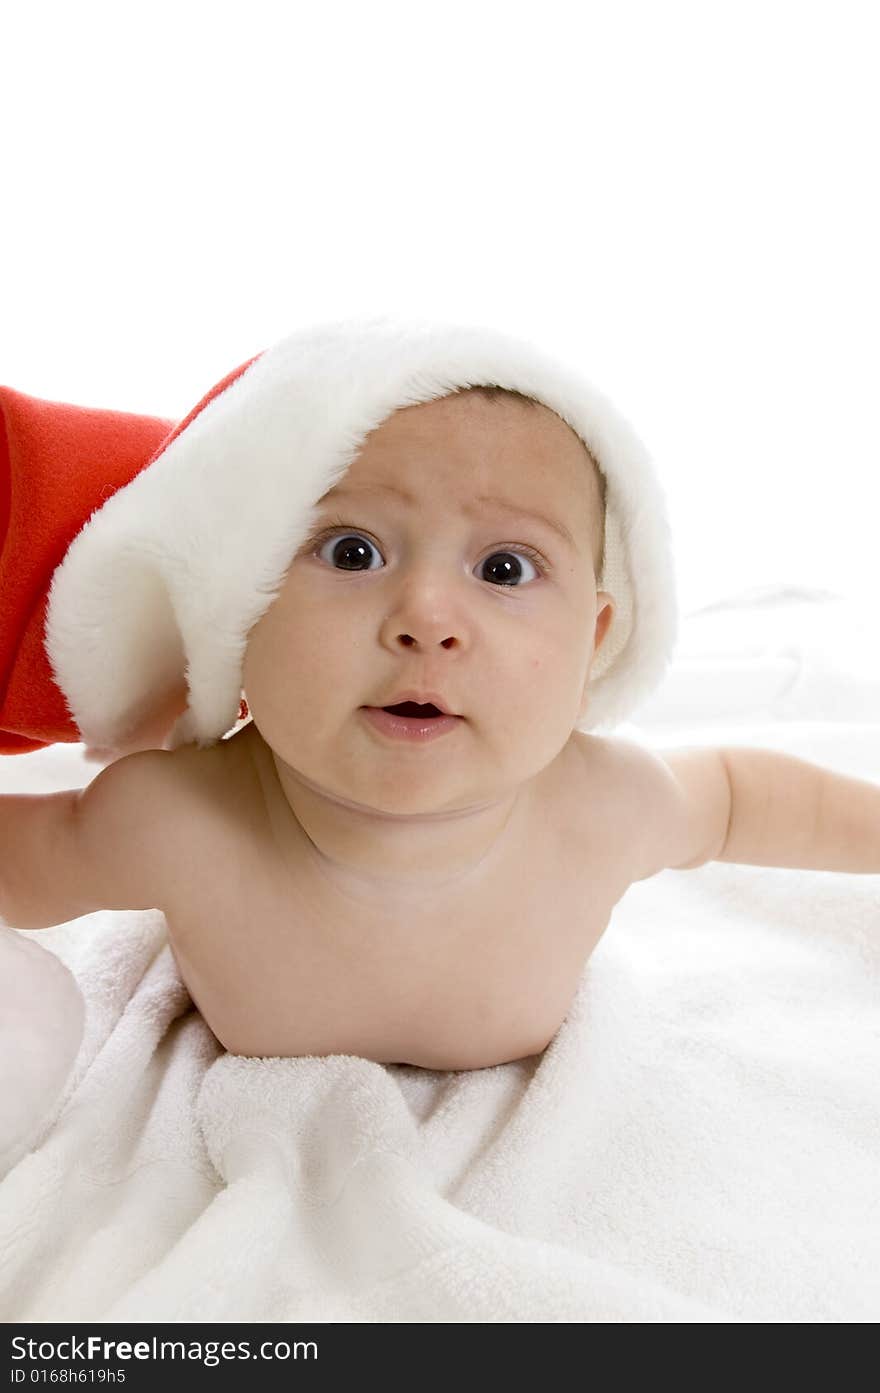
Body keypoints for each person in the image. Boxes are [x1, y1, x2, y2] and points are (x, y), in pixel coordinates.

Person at [2, 319, 878, 1072]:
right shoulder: (174, 822)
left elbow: (738, 799)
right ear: (239, 603)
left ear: (595, 641)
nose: (427, 617)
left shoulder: (605, 806)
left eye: (504, 568)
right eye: (352, 552)